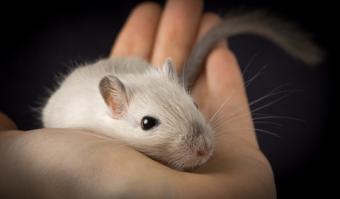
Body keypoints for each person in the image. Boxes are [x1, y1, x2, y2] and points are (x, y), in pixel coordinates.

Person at [0, 0, 276, 198]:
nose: (203, 147)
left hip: (133, 70)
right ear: (113, 105)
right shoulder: (71, 117)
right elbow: (51, 115)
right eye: (148, 122)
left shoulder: (150, 81)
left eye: (191, 103)